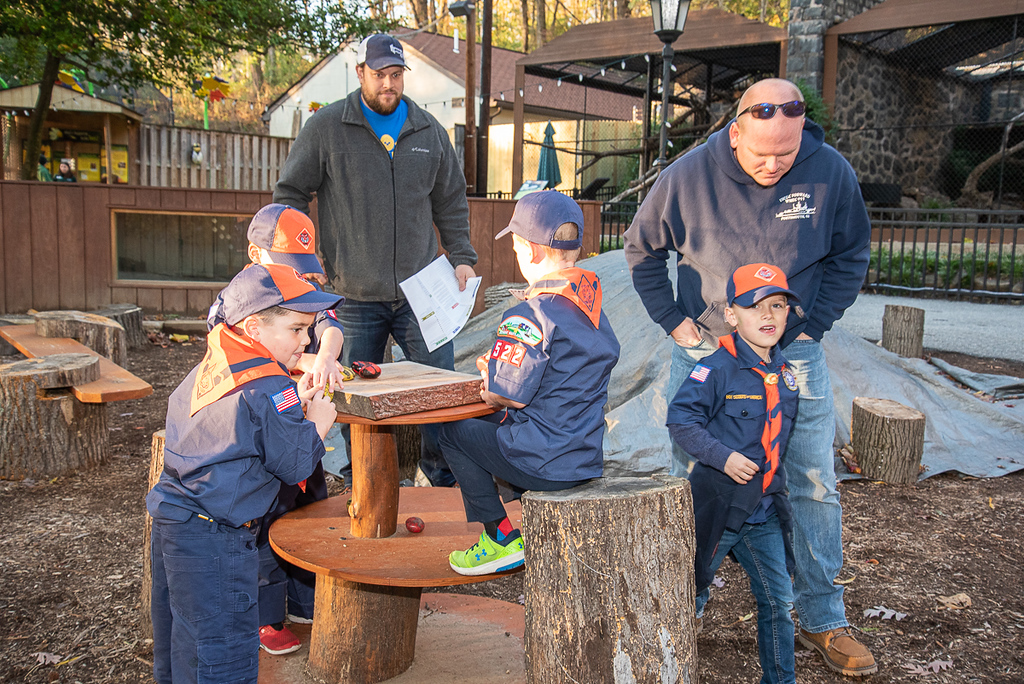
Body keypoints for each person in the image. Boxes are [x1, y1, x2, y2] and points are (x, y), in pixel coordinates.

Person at [623, 77, 876, 676]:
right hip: (710, 355)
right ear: (733, 132)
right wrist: (678, 327)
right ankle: (689, 604)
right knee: (699, 484)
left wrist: (815, 325)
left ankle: (821, 618)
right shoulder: (688, 175)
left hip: (794, 359)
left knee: (814, 483)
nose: (772, 165)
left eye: (785, 155)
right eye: (761, 154)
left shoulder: (829, 172)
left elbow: (853, 250)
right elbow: (641, 250)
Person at [273, 33, 478, 487]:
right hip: (352, 294)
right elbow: (289, 196)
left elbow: (451, 201)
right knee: (351, 395)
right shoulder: (326, 128)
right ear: (360, 72)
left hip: (421, 293)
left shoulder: (429, 132)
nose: (389, 84)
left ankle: (441, 480)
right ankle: (361, 481)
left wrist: (461, 256)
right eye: (380, 74)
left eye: (396, 75)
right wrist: (299, 260)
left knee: (437, 390)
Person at [147, 263, 342, 684]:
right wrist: (319, 420)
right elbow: (293, 464)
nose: (307, 339)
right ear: (254, 326)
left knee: (184, 643)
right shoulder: (273, 385)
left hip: (173, 521)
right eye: (295, 329)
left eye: (309, 328)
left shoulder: (218, 357)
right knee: (223, 656)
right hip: (216, 539)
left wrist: (290, 408)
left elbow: (246, 423)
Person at [437, 191, 619, 575]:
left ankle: (498, 537)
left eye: (517, 249)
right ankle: (504, 510)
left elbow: (506, 395)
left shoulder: (531, 312)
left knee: (451, 431)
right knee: (486, 429)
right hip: (582, 456)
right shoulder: (592, 310)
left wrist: (492, 377)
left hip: (544, 462)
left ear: (531, 252)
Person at [206, 203, 346, 654]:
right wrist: (306, 360)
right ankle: (268, 617)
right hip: (266, 434)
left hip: (296, 415)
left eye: (304, 269)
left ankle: (306, 598)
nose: (299, 276)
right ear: (255, 253)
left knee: (309, 508)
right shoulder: (236, 301)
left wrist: (325, 353)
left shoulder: (301, 289)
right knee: (267, 520)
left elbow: (331, 326)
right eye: (289, 265)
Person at [668, 263, 801, 684]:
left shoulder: (787, 375)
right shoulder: (716, 368)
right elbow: (681, 420)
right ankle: (668, 670)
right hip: (718, 508)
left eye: (777, 306)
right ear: (731, 314)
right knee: (690, 592)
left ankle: (780, 680)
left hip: (762, 512)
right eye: (753, 306)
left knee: (779, 603)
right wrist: (722, 457)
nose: (767, 316)